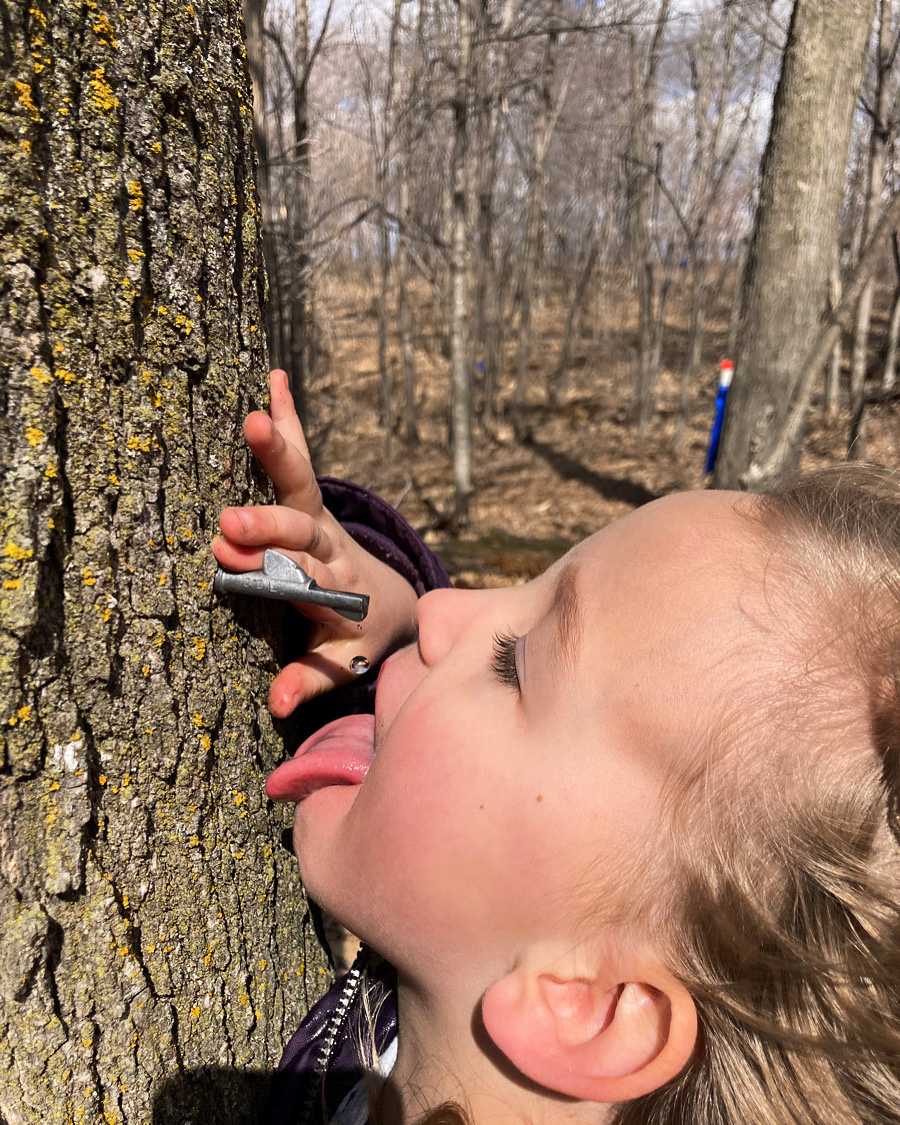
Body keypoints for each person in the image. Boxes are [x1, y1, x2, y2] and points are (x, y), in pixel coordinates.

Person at [212, 371, 900, 1125]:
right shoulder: (455, 956)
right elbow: (440, 806)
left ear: (590, 1007)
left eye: (513, 661)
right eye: (528, 584)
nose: (435, 611)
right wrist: (373, 603)